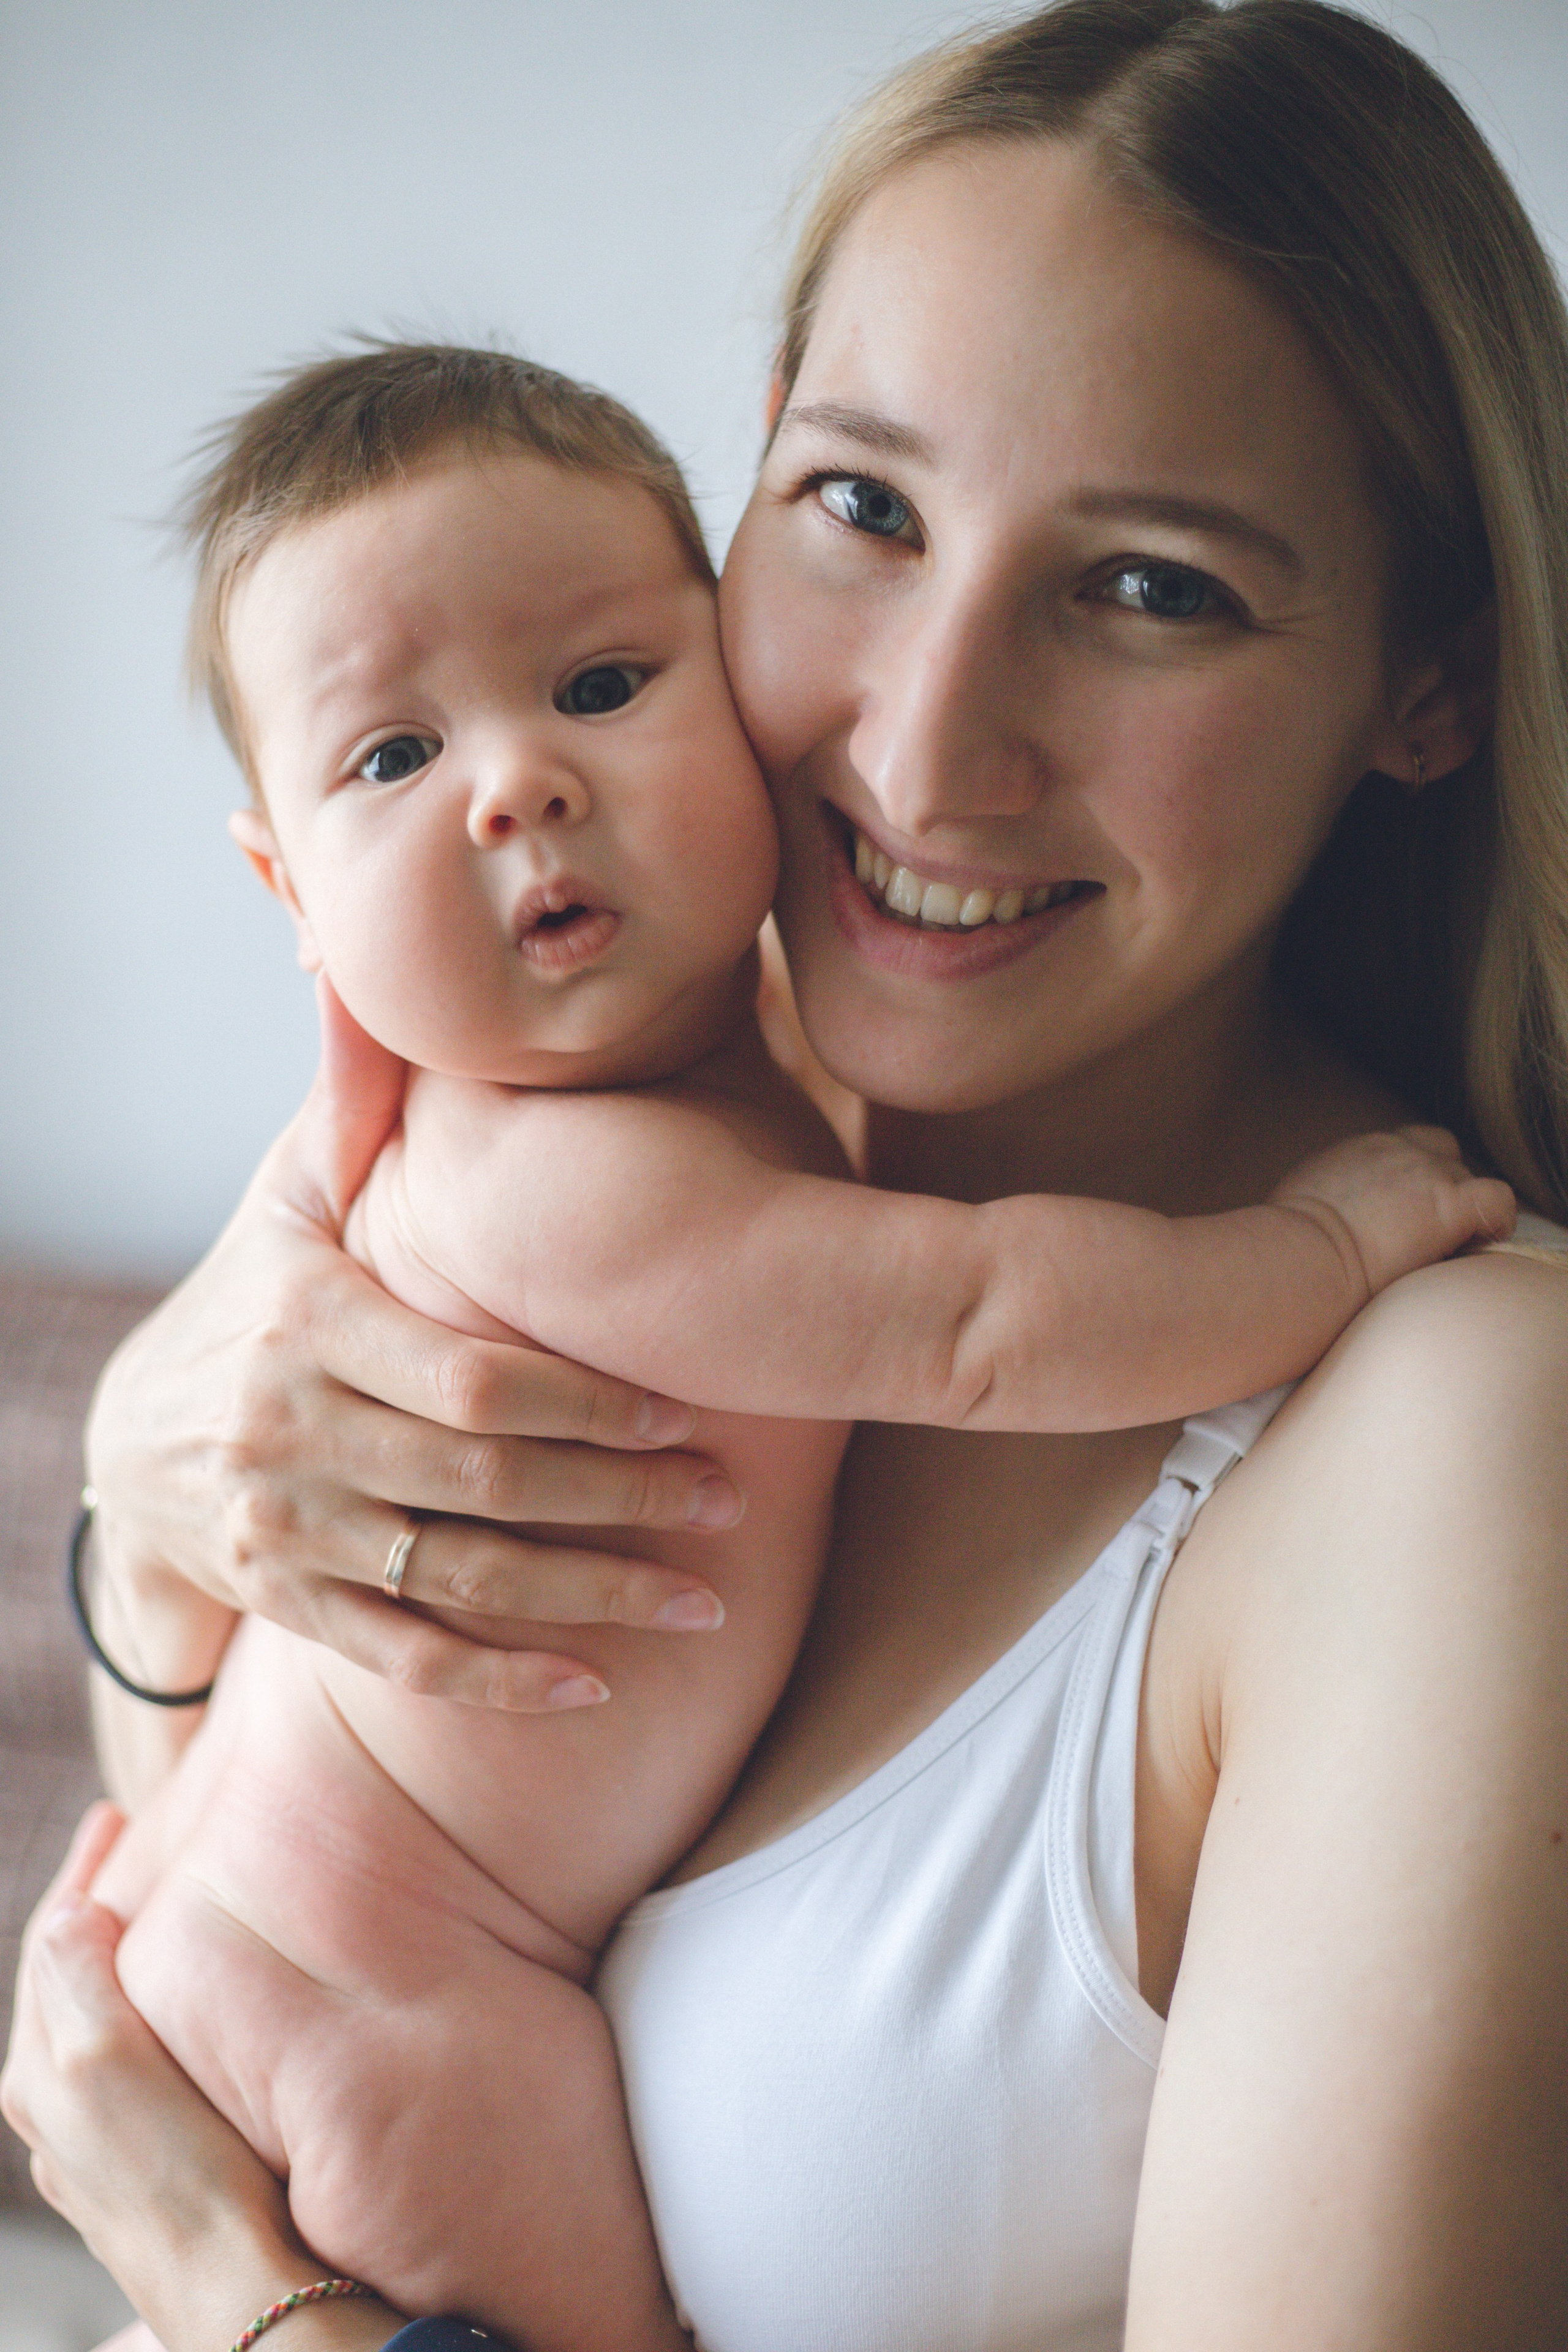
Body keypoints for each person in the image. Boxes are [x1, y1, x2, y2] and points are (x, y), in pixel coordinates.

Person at [7, 1, 1568, 2347]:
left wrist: (254, 2310)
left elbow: (237, 2154)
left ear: (1429, 685)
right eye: (863, 506)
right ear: (737, 492)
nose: (929, 748)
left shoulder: (1461, 1425)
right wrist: (147, 1512)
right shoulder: (628, 1131)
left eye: (1152, 586)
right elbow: (272, 1806)